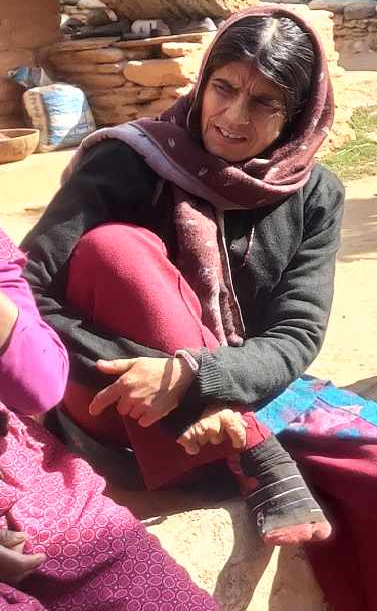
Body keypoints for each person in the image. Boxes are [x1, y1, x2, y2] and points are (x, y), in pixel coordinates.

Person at [23, 7, 377, 611]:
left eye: (263, 103)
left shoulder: (315, 195)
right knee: (116, 249)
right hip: (117, 407)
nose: (233, 116)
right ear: (203, 81)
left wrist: (193, 377)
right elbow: (26, 296)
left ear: (297, 115)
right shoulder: (129, 161)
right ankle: (250, 446)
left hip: (237, 395)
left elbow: (296, 333)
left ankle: (243, 437)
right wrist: (146, 375)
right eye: (224, 89)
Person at [0, 223, 216, 611]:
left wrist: (205, 375)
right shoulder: (109, 185)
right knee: (114, 247)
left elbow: (38, 388)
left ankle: (254, 454)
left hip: (38, 489)